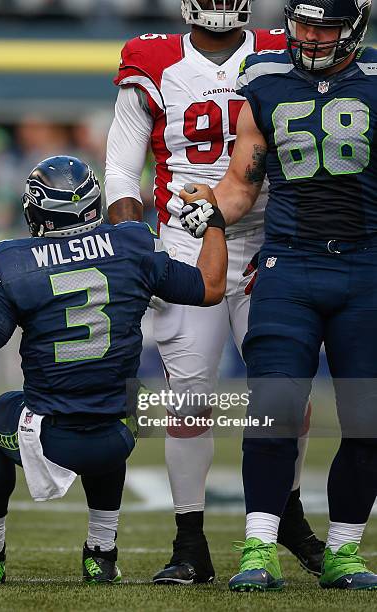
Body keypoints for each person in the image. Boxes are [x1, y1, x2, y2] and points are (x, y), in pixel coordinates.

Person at [0, 156, 228, 583]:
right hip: (119, 434)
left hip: (54, 434)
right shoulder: (134, 245)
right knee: (107, 408)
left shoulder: (14, 262)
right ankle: (101, 553)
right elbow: (211, 286)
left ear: (38, 211)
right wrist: (215, 224)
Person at [105, 0, 323, 584]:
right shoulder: (153, 61)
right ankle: (189, 539)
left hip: (269, 242)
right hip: (185, 243)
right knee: (189, 399)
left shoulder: (283, 51)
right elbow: (123, 170)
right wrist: (134, 248)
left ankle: (290, 518)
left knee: (286, 394)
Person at [180, 0, 377, 592]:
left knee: (367, 421)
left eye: (325, 27)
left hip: (366, 265)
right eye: (304, 25)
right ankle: (259, 547)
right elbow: (242, 184)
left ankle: (343, 551)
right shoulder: (265, 80)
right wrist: (211, 206)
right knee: (274, 408)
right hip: (288, 263)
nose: (312, 38)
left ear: (354, 30)